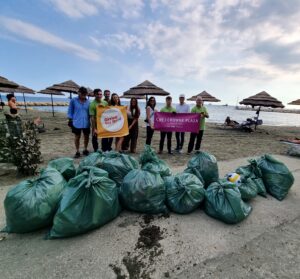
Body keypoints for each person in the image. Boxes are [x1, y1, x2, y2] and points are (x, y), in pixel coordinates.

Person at [67, 86, 90, 158]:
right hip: (76, 122)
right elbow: (70, 111)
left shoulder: (89, 102)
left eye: (85, 93)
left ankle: (85, 149)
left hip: (86, 122)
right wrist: (70, 120)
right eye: (82, 93)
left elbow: (90, 112)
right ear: (79, 93)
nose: (83, 95)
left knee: (86, 137)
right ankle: (77, 151)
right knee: (77, 137)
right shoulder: (73, 100)